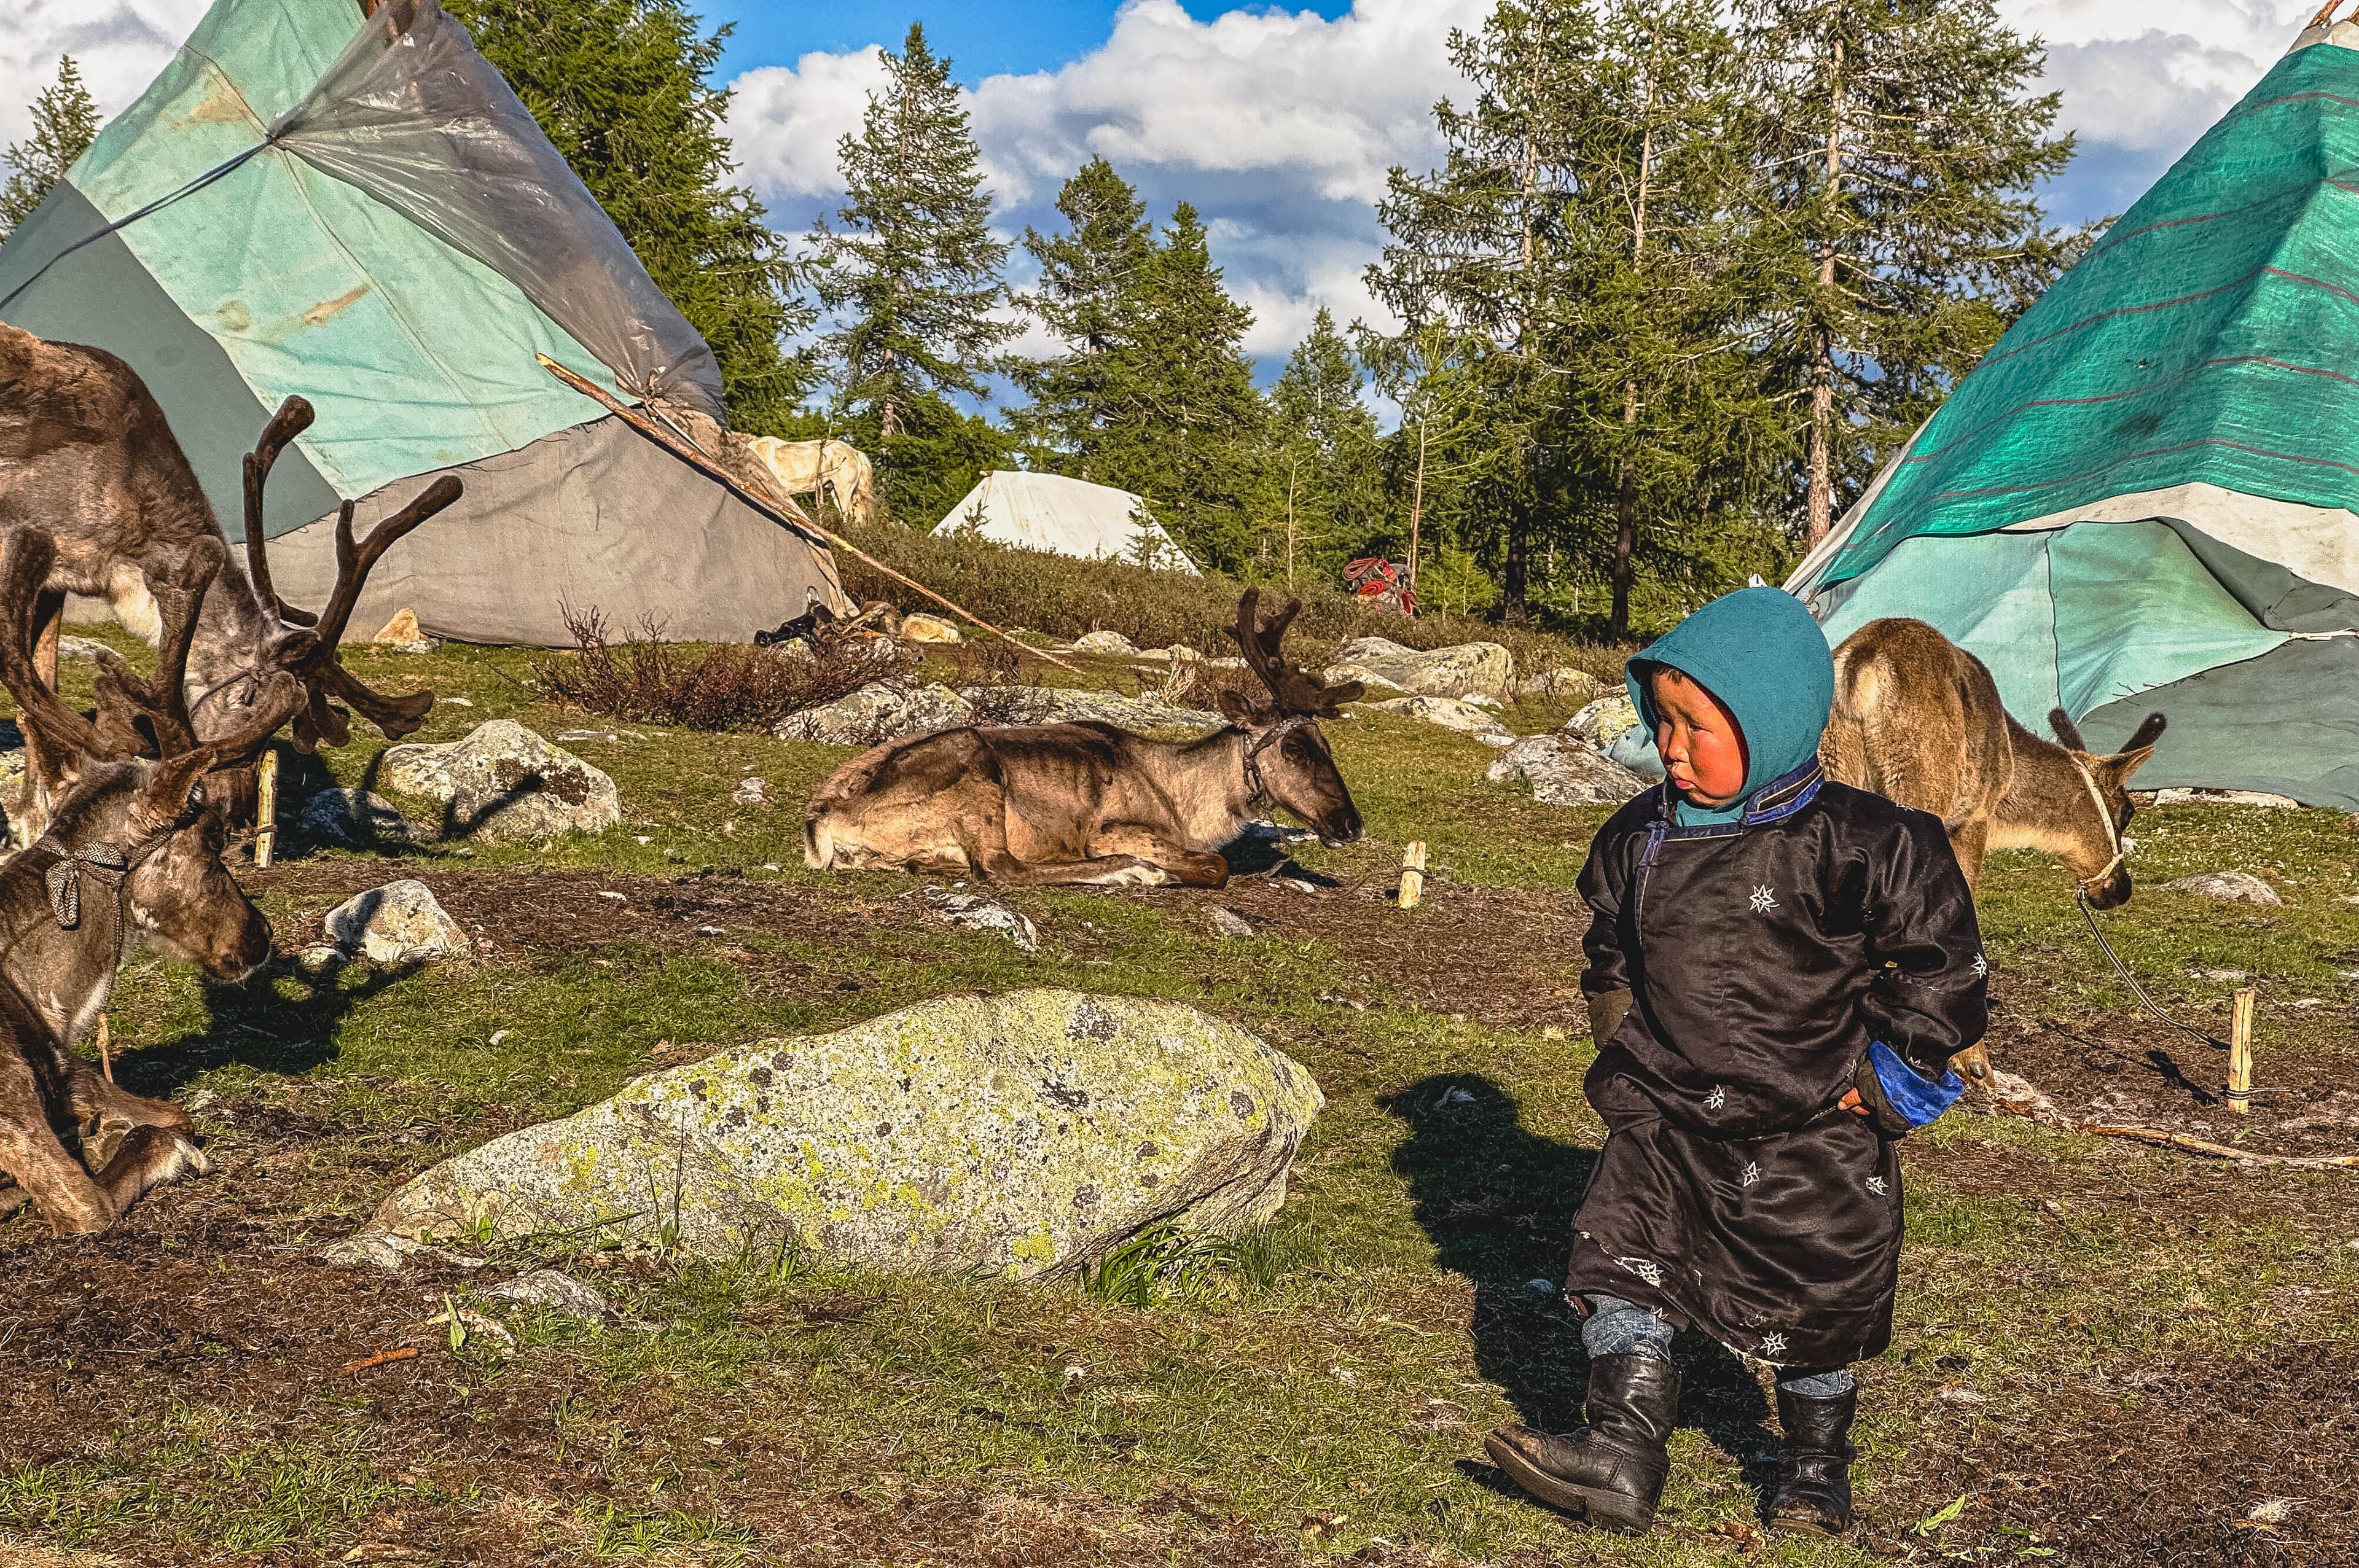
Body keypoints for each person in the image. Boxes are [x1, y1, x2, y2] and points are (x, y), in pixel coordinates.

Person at [1485, 586, 1987, 1536]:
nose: (1669, 746)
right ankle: (1621, 1452)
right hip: (1670, 1111)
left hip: (1815, 1116)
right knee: (1623, 1255)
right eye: (1661, 719)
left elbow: (1940, 965)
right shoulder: (1641, 836)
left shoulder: (1865, 841)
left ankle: (1811, 1466)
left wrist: (1887, 1082)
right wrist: (1621, 1026)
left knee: (1817, 1294)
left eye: (1696, 725)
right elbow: (1612, 942)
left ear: (1771, 720)